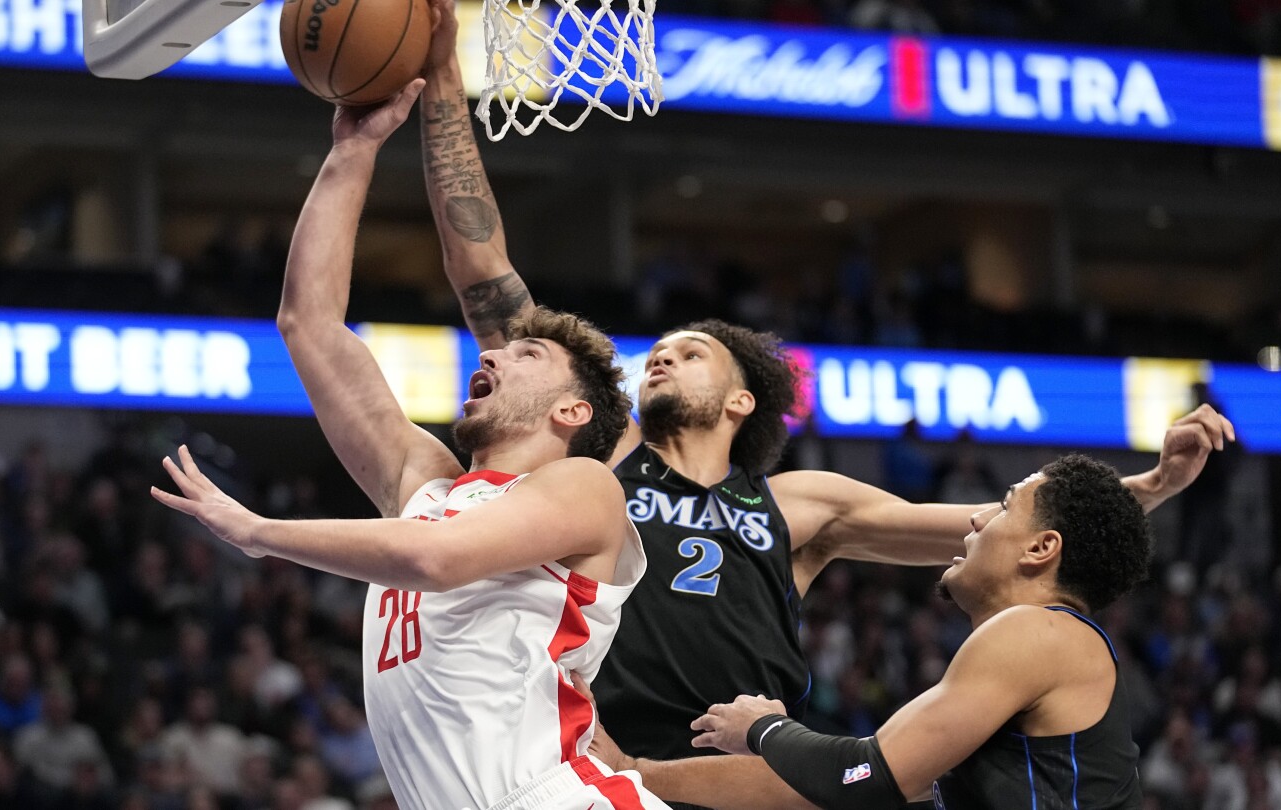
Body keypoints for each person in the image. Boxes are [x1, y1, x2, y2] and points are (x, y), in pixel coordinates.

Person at [414, 2, 1234, 807]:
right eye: (659, 349)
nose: (662, 353)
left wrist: (1150, 488)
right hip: (591, 763)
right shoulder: (605, 457)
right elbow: (486, 276)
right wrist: (443, 76)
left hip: (743, 779)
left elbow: (1000, 527)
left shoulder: (800, 507)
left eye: (692, 351)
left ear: (742, 399)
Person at [151, 82, 666, 810]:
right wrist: (352, 151)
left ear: (573, 410)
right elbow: (309, 324)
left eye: (526, 358)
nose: (490, 358)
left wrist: (262, 533)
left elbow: (433, 559)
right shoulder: (426, 487)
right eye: (498, 352)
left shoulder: (585, 487)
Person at [688, 454, 1152, 809]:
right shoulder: (1054, 649)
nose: (976, 519)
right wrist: (638, 772)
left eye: (1005, 507)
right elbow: (813, 788)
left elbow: (863, 775)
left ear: (1041, 548)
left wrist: (763, 728)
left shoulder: (1039, 631)